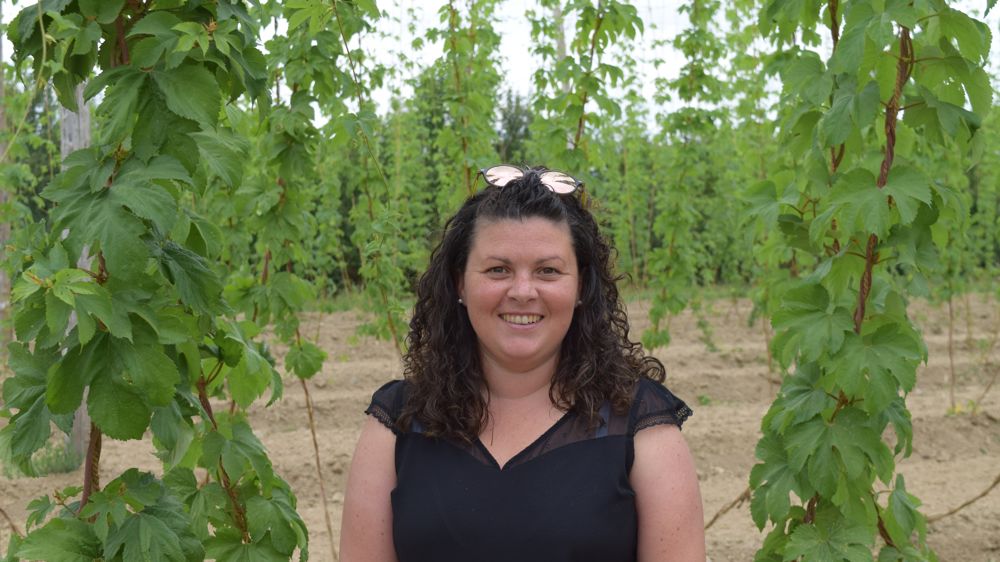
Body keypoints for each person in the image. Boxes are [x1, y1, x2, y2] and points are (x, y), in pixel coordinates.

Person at [340, 165, 705, 562]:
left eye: (548, 271)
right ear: (460, 283)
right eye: (498, 270)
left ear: (581, 286)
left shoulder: (639, 426)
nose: (523, 292)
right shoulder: (397, 422)